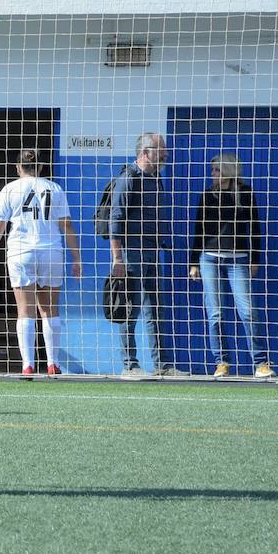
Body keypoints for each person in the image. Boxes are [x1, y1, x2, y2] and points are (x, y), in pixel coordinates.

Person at [0, 150, 83, 379]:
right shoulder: (55, 188)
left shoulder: (10, 189)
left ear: (18, 167)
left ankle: (27, 365)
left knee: (24, 310)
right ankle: (52, 364)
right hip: (51, 251)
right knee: (49, 309)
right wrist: (77, 258)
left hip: (21, 251)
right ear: (41, 166)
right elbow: (67, 226)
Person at [187, 153, 274, 379]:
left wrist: (255, 259)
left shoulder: (245, 194)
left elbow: (254, 227)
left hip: (238, 259)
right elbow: (199, 229)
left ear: (228, 171)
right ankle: (222, 363)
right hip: (209, 259)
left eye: (216, 170)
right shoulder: (208, 195)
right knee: (215, 313)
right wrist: (193, 261)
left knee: (247, 311)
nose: (213, 174)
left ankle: (261, 364)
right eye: (213, 170)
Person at [108, 132, 181, 377]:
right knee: (131, 308)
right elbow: (115, 219)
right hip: (132, 253)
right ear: (145, 152)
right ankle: (130, 365)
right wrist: (117, 259)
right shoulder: (129, 178)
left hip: (153, 252)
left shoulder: (157, 178)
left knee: (156, 310)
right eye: (161, 149)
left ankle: (163, 365)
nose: (166, 154)